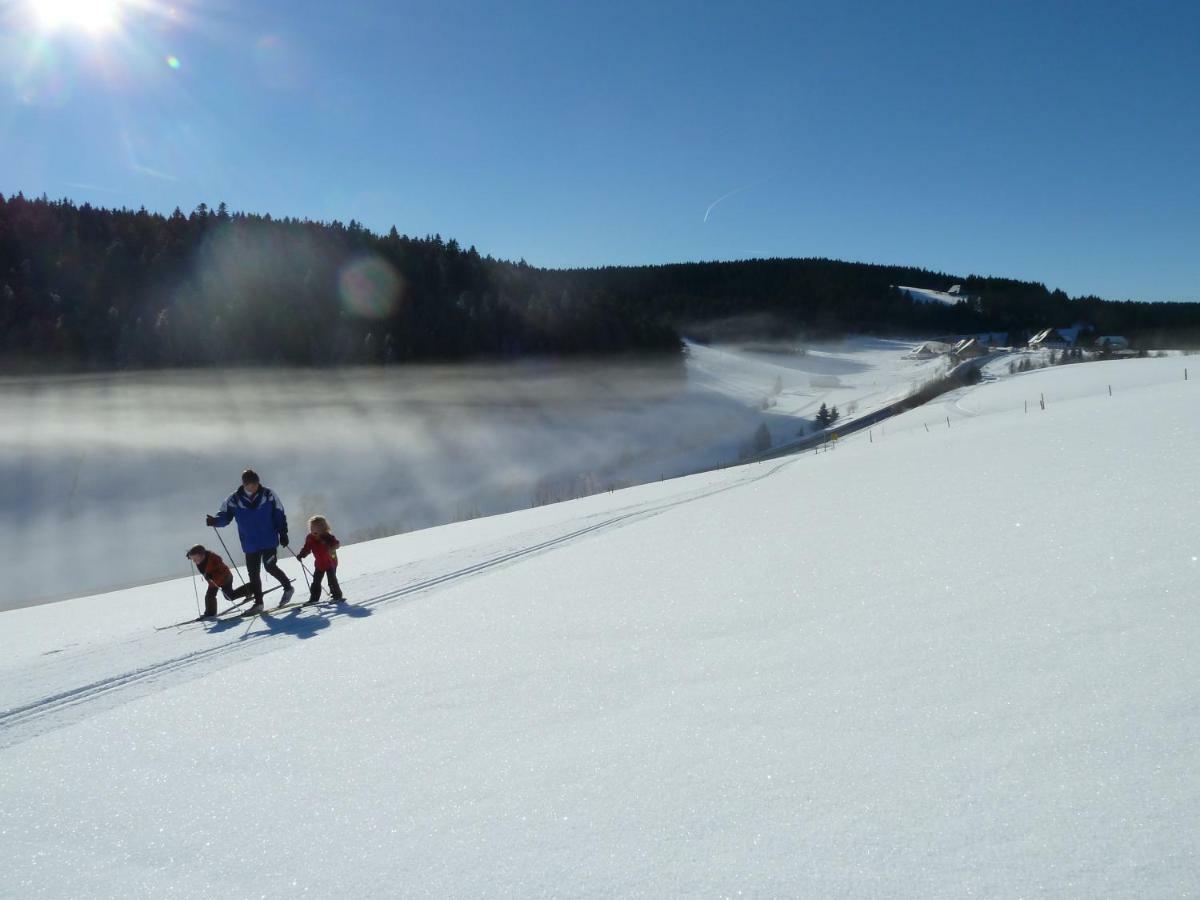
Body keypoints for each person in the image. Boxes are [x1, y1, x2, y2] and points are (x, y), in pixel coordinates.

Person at [206, 468, 292, 614]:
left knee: (270, 566)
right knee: (253, 574)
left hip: (269, 539)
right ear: (244, 484)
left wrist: (283, 533)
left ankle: (288, 588)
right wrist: (215, 521)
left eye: (255, 483)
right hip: (250, 543)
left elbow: (279, 514)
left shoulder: (269, 495)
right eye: (250, 484)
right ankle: (259, 603)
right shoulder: (233, 499)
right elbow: (225, 517)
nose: (253, 487)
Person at [186, 544, 251, 619]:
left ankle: (251, 588)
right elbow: (197, 552)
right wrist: (190, 554)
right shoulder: (200, 560)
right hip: (213, 581)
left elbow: (221, 572)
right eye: (192, 559)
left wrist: (212, 577)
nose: (194, 561)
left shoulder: (214, 559)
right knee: (210, 595)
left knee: (229, 596)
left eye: (195, 558)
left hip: (225, 578)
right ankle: (210, 613)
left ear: (202, 555)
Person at [295, 515, 345, 604]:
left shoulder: (327, 536)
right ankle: (314, 598)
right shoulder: (310, 538)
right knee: (316, 581)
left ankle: (337, 595)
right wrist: (302, 554)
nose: (313, 529)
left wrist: (331, 545)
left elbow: (336, 543)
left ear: (322, 528)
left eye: (315, 527)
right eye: (311, 527)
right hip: (319, 563)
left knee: (332, 580)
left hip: (331, 562)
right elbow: (307, 547)